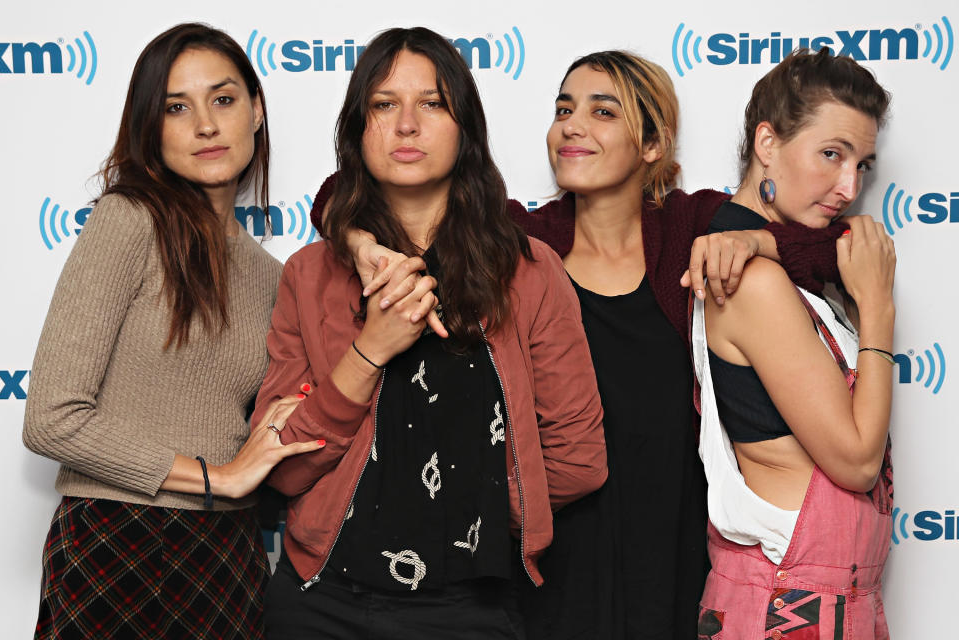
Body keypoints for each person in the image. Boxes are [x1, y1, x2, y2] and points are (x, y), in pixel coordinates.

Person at [315, 50, 846, 639]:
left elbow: (840, 252)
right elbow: (351, 187)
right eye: (564, 108)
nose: (572, 124)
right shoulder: (517, 242)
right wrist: (358, 238)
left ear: (651, 144)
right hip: (551, 561)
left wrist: (754, 243)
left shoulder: (691, 227)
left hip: (670, 553)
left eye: (603, 111)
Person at [254, 27, 606, 639]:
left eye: (433, 103)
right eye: (384, 105)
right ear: (357, 130)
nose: (407, 125)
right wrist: (370, 351)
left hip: (470, 610)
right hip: (320, 602)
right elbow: (281, 468)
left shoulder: (528, 271)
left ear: (464, 126)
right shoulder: (310, 275)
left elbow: (577, 460)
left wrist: (494, 503)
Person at [22, 23, 323, 640]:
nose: (205, 125)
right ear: (150, 129)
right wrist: (220, 477)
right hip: (119, 540)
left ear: (257, 109)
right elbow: (50, 418)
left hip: (229, 556)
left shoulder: (274, 274)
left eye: (223, 99)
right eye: (176, 107)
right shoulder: (128, 221)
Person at [691, 48, 895, 638]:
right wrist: (878, 311)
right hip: (785, 604)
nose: (849, 186)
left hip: (832, 598)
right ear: (766, 144)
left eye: (864, 165)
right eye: (831, 154)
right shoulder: (749, 281)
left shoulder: (774, 262)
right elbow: (857, 460)